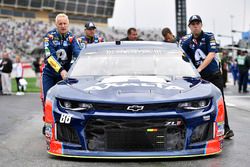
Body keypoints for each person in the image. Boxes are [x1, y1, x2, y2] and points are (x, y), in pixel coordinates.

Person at [180, 15, 234, 139]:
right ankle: (197, 131)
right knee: (196, 103)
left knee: (219, 102)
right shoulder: (186, 42)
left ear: (201, 25)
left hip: (213, 75)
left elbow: (211, 54)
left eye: (197, 23)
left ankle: (225, 129)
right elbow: (183, 58)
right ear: (189, 26)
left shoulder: (209, 36)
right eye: (193, 24)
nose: (195, 26)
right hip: (198, 79)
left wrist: (198, 69)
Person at [42, 13, 81, 104]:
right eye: (60, 24)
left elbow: (77, 53)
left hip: (66, 74)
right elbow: (49, 56)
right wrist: (61, 70)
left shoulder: (72, 38)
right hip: (50, 74)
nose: (63, 26)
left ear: (68, 24)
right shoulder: (49, 37)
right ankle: (49, 118)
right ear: (56, 25)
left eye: (65, 23)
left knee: (66, 102)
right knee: (48, 100)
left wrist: (72, 68)